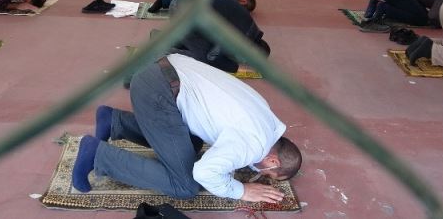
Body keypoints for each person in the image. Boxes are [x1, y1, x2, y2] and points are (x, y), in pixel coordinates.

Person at [71, 53, 302, 201]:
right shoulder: (252, 145)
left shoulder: (268, 121)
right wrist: (242, 191)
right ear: (273, 160)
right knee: (185, 185)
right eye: (268, 173)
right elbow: (204, 172)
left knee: (193, 144)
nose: (259, 174)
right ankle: (98, 155)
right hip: (157, 92)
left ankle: (114, 121)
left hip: (167, 68)